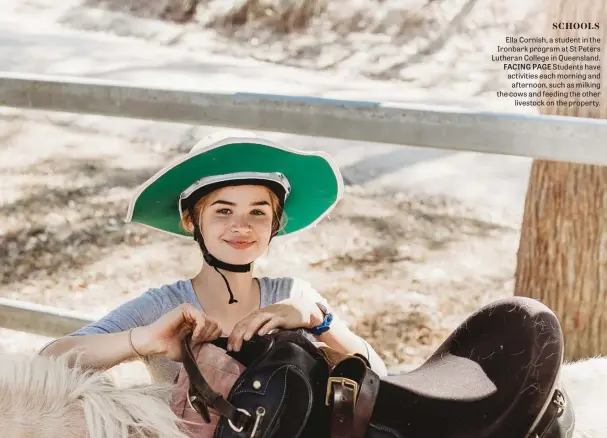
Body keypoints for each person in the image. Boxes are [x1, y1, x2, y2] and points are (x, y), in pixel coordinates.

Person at [41, 131, 387, 380]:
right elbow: (50, 359)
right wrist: (143, 341)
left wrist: (318, 319)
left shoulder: (292, 296)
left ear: (275, 225)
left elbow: (378, 373)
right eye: (223, 211)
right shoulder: (164, 306)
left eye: (258, 213)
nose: (242, 226)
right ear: (192, 220)